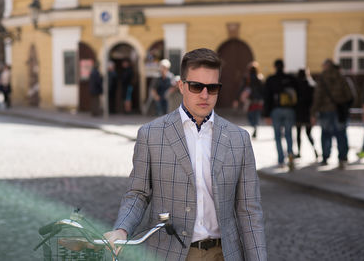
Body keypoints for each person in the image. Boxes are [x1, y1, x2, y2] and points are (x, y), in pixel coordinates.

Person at [104, 48, 267, 261]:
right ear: (181, 86)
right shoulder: (151, 134)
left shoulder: (239, 139)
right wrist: (122, 229)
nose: (205, 95)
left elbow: (249, 211)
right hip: (169, 254)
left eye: (213, 88)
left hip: (224, 254)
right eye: (196, 86)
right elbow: (138, 194)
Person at [310, 59, 353, 169]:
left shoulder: (322, 78)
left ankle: (325, 157)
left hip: (325, 110)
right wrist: (344, 106)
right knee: (341, 134)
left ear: (326, 66)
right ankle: (342, 158)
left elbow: (317, 97)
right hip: (339, 111)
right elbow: (350, 95)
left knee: (326, 134)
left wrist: (313, 112)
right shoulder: (341, 77)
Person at [263, 59, 298, 170]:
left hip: (276, 110)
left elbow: (267, 97)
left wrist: (266, 114)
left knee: (278, 136)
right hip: (289, 110)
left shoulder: (271, 80)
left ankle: (281, 160)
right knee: (288, 134)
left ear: (274, 67)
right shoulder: (291, 79)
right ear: (283, 67)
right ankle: (291, 156)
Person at [236, 61, 264, 139]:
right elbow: (263, 89)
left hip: (250, 100)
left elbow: (242, 88)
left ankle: (254, 126)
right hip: (258, 100)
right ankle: (255, 126)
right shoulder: (260, 78)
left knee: (250, 115)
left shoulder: (247, 78)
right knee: (256, 115)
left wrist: (237, 98)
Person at [295, 68, 318, 159]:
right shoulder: (312, 85)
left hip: (298, 112)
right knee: (309, 134)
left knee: (298, 133)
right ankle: (315, 149)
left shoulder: (296, 85)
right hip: (309, 112)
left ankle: (299, 152)